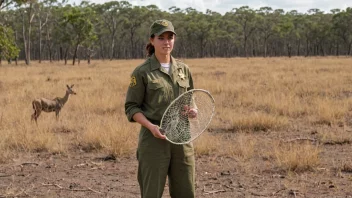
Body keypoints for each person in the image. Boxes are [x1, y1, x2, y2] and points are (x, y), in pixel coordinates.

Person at [125, 19, 197, 198]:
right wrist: (151, 127)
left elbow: (190, 96)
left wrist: (193, 109)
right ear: (152, 40)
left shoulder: (183, 69)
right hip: (154, 140)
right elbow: (131, 107)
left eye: (170, 37)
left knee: (186, 192)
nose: (166, 42)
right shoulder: (142, 72)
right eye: (161, 38)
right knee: (151, 193)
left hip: (182, 139)